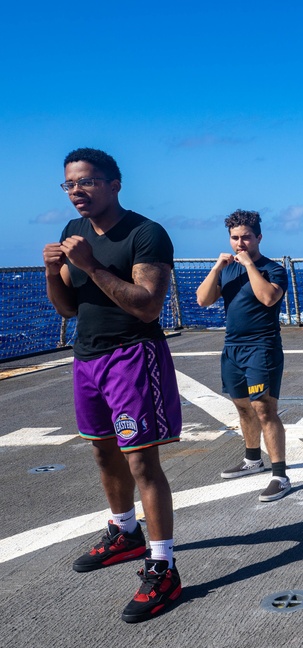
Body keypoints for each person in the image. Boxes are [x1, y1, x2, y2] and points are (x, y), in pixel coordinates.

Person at [43, 148, 183, 623]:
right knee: (102, 450)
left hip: (132, 355)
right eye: (69, 184)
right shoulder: (72, 232)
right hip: (87, 357)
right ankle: (124, 531)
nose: (76, 192)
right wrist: (51, 271)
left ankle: (163, 565)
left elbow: (147, 306)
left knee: (141, 459)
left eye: (86, 182)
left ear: (114, 184)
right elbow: (66, 309)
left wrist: (92, 266)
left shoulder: (145, 234)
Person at [195, 210, 292, 502]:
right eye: (235, 238)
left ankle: (280, 474)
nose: (241, 243)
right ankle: (253, 459)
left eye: (246, 237)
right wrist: (215, 269)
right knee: (242, 408)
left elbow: (268, 298)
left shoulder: (273, 269)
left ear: (258, 237)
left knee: (264, 409)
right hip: (232, 348)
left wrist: (249, 264)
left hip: (262, 348)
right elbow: (202, 299)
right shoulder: (226, 270)